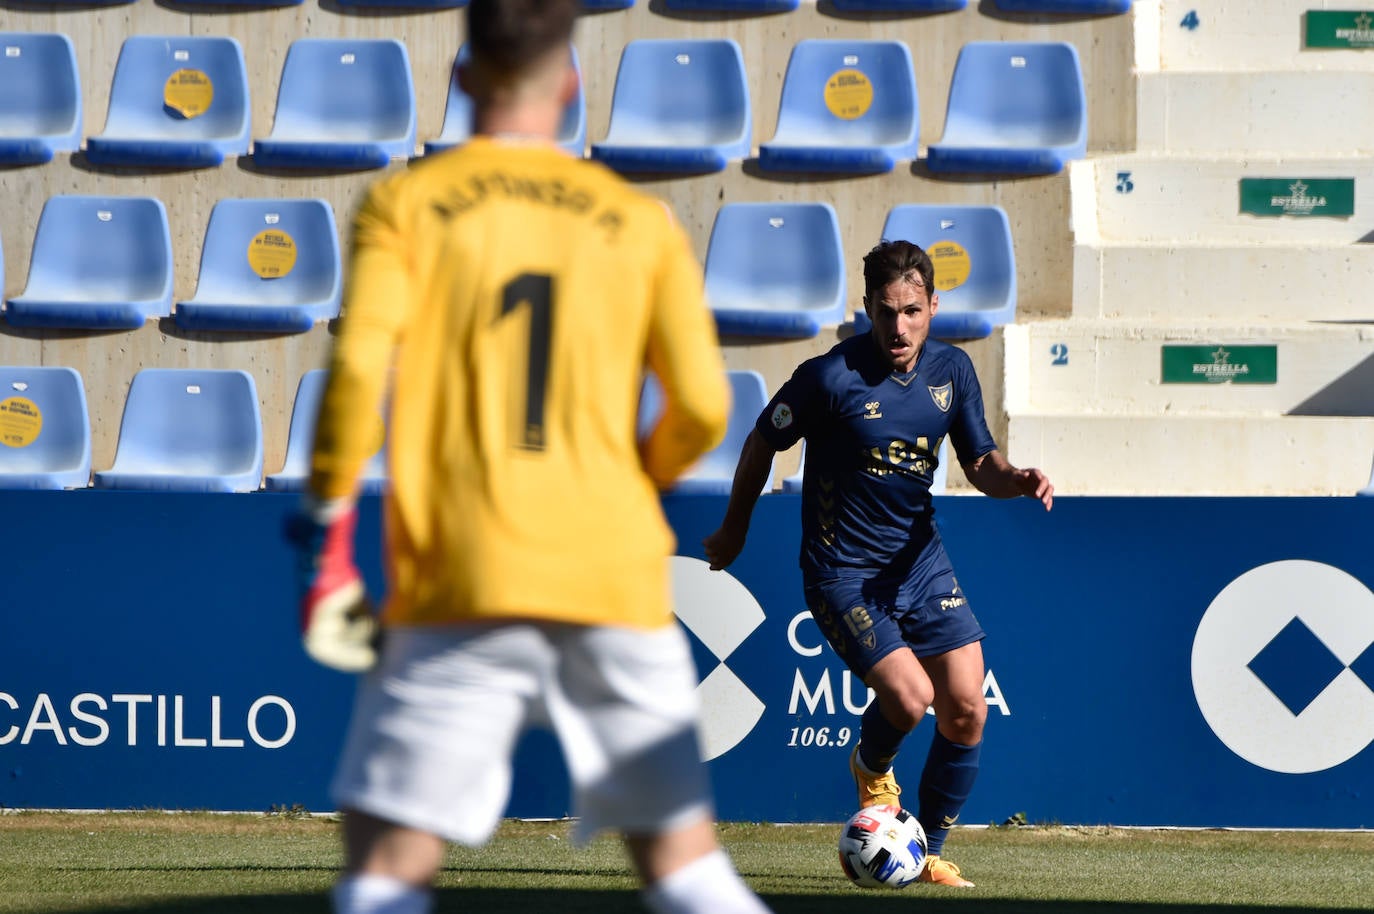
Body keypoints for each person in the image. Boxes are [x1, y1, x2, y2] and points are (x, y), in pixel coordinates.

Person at [285, 3, 775, 912]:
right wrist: (636, 476)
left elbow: (356, 378)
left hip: (463, 574)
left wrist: (330, 538)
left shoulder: (409, 203)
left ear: (465, 75)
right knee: (683, 863)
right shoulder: (637, 222)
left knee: (389, 861)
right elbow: (706, 406)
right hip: (612, 574)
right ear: (574, 83)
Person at [703, 240, 1053, 889]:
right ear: (867, 306)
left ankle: (928, 851)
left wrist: (1017, 477)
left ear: (933, 306)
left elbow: (980, 464)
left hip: (920, 563)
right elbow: (760, 440)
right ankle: (871, 766)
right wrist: (734, 528)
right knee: (912, 697)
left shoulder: (953, 371)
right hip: (844, 573)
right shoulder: (828, 378)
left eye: (913, 311)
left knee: (967, 708)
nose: (900, 327)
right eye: (887, 311)